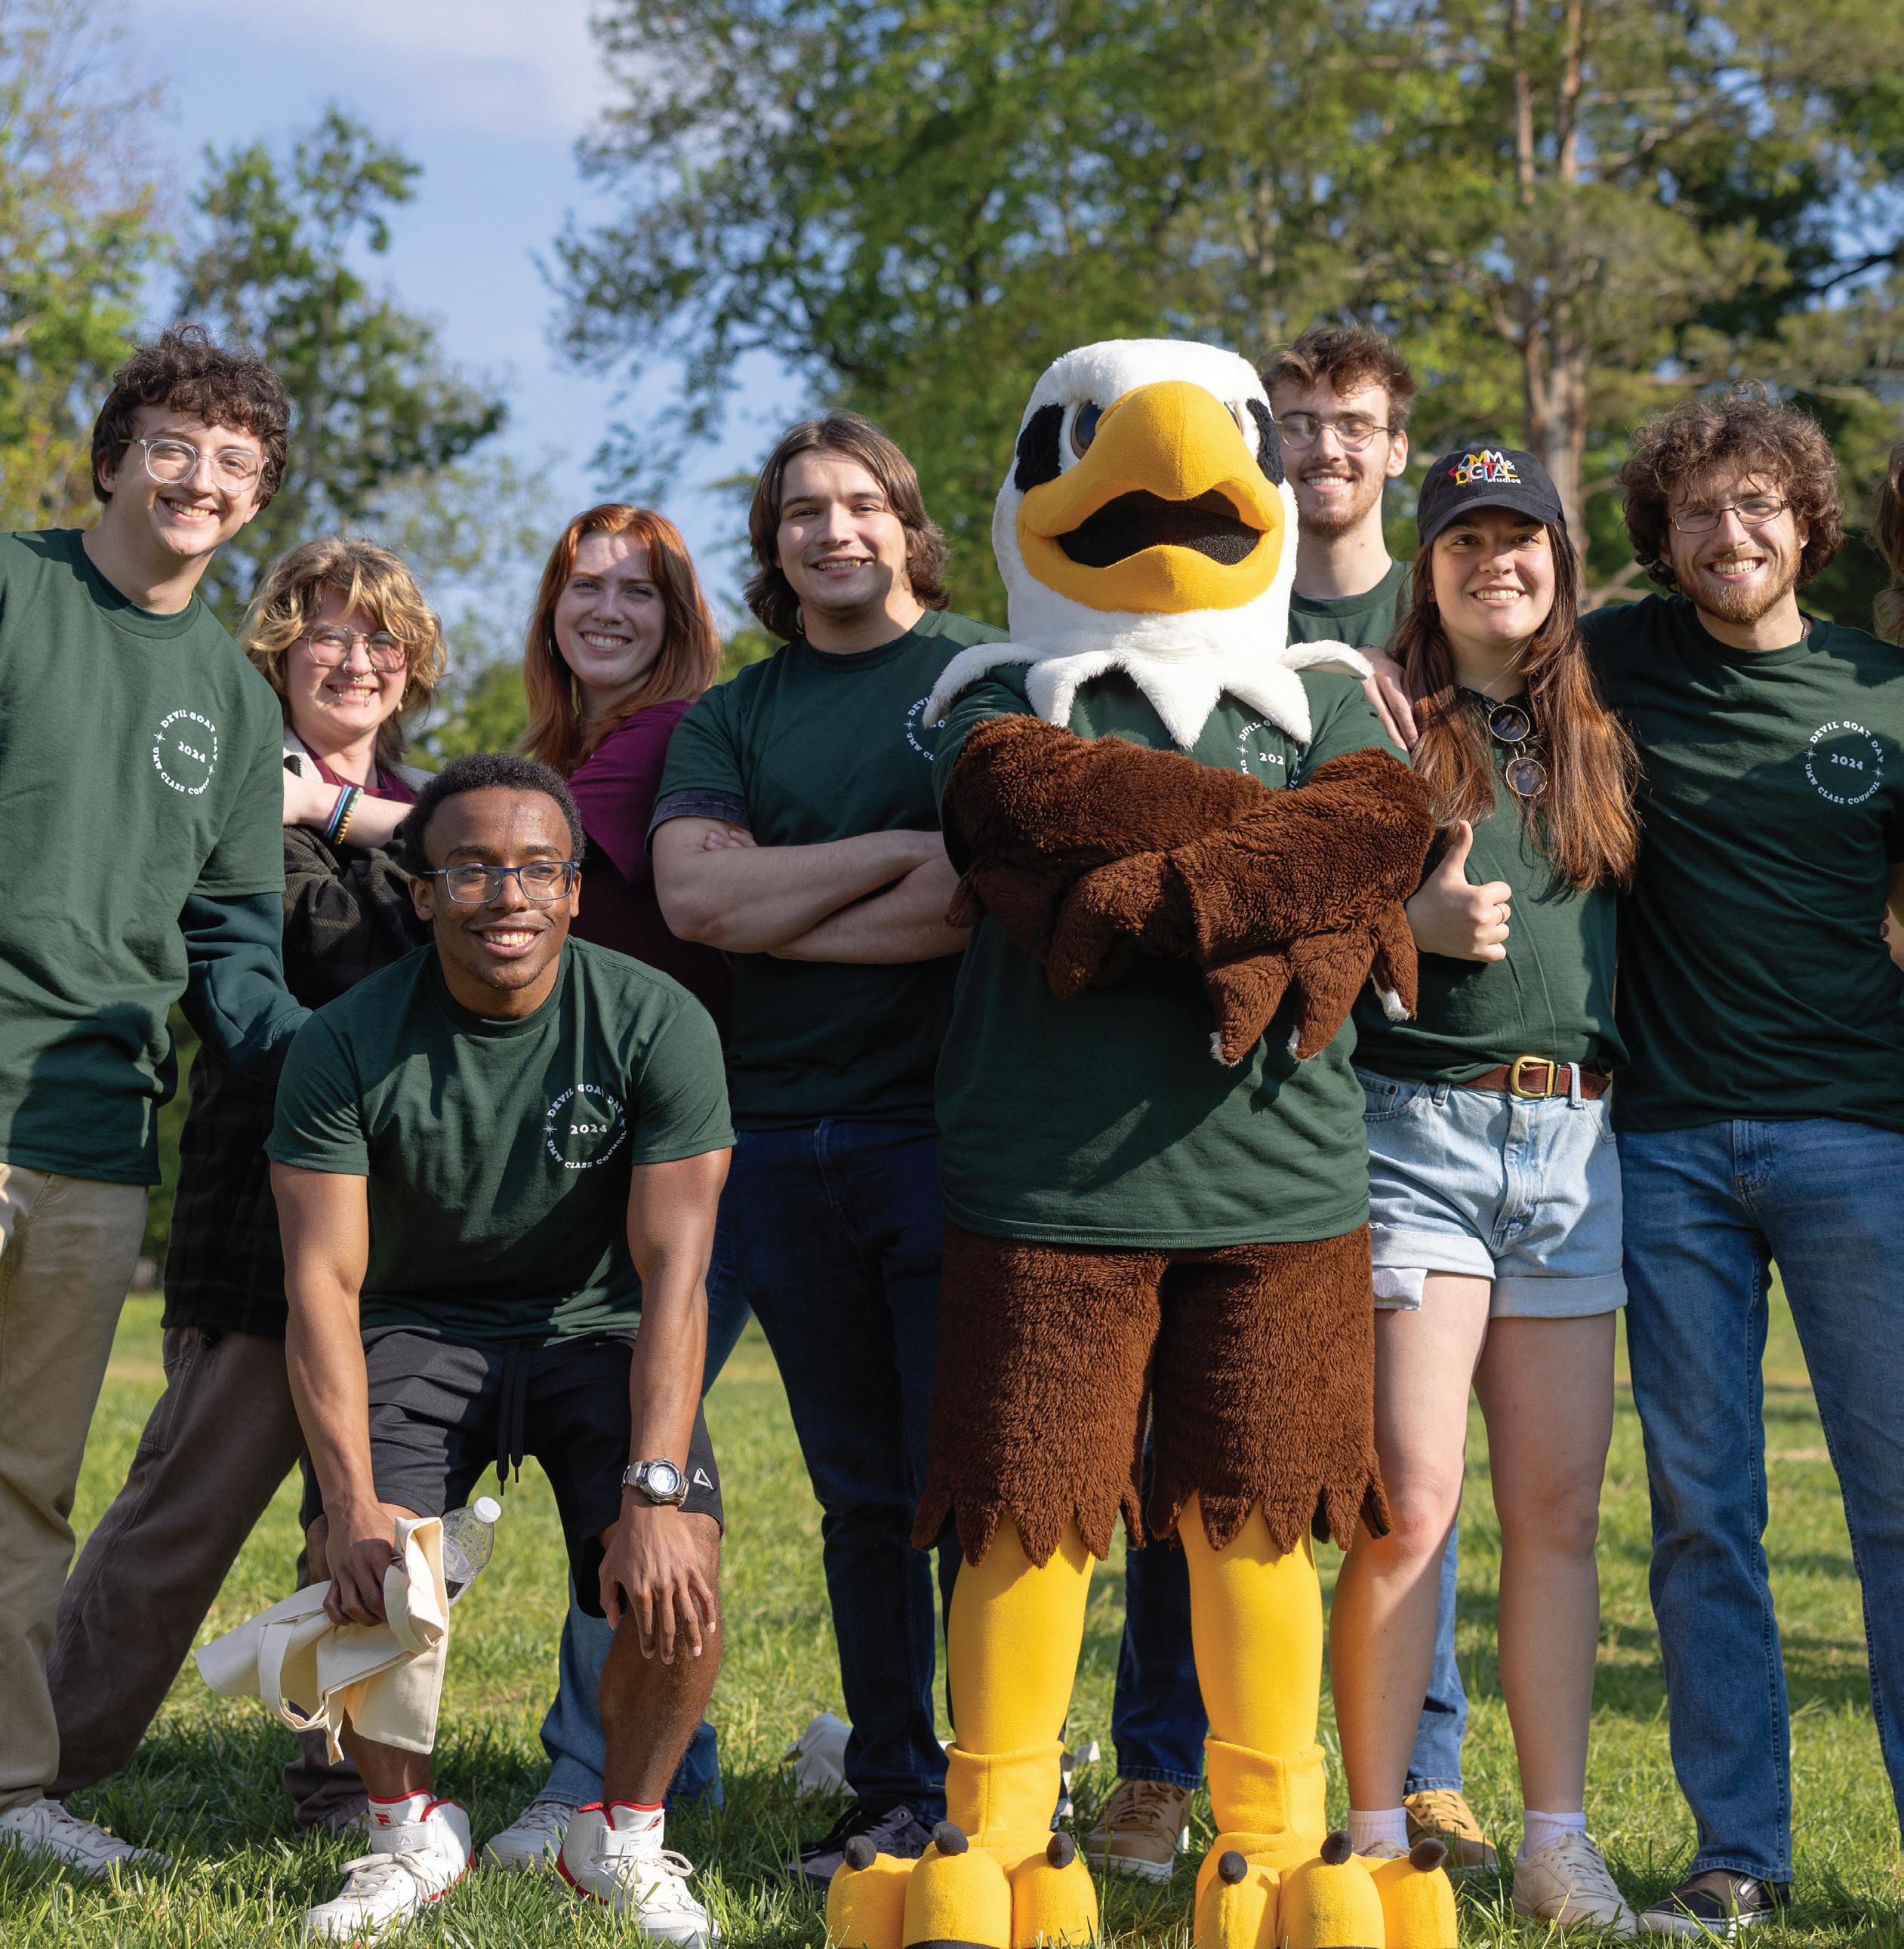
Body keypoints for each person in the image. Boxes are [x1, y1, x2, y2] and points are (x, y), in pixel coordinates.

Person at [1363, 387, 1904, 1934]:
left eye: (1757, 505)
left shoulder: (1882, 689)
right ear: (1658, 538)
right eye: (1695, 511)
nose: (1728, 533)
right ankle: (1738, 1853)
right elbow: (1446, 637)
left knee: (1891, 1502)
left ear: (1805, 521)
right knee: (1699, 1510)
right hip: (1654, 1147)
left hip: (1857, 1137)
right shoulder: (1609, 666)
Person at [1089, 323, 1493, 1884]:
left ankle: (1421, 1765)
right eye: (1299, 422)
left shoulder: (1432, 616)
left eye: (1353, 423)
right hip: (1223, 1085)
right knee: (1178, 1441)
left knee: (1394, 1460)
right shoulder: (1198, 587)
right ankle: (1157, 1763)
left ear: (1395, 446)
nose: (1325, 447)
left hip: (1415, 1095)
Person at [270, 753, 732, 1942]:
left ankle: (618, 1835)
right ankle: (406, 1832)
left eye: (538, 868)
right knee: (361, 1557)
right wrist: (350, 1501)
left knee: (680, 1567)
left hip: (597, 1324)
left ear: (575, 889)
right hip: (419, 1321)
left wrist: (656, 1492)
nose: (508, 894)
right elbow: (321, 1283)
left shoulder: (657, 1021)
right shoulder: (344, 1040)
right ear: (421, 891)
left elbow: (675, 1276)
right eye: (471, 869)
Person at [44, 538, 443, 1833]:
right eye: (327, 633)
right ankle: (37, 1763)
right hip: (263, 1214)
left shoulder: (436, 812)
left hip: (418, 1226)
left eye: (382, 639)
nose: (356, 659)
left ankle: (345, 1776)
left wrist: (367, 821)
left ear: (414, 667)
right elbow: (274, 973)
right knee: (185, 1515)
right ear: (277, 650)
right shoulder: (228, 793)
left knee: (377, 1524)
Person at [652, 413, 1004, 1880]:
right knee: (858, 1496)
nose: (834, 529)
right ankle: (889, 1786)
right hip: (781, 1140)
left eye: (861, 503)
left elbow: (975, 902)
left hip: (949, 1130)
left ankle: (996, 1787)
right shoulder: (733, 716)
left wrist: (783, 901)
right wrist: (895, 854)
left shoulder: (985, 677)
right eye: (804, 510)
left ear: (907, 524)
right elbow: (696, 902)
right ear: (773, 542)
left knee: (967, 1483)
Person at [0, 326, 307, 1877]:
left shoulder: (236, 705)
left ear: (253, 502)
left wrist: (329, 1068)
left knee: (27, 1483)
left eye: (234, 463)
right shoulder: (16, 587)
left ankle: (9, 1788)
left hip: (97, 1132)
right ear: (116, 456)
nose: (200, 479)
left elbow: (231, 947)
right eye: (175, 446)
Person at [1329, 446, 1638, 1933]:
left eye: (1521, 538)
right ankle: (1374, 1835)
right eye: (1464, 540)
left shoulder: (1602, 727)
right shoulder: (1373, 717)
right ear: (1427, 568)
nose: (1493, 561)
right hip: (1418, 1138)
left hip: (1574, 1145)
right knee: (1409, 1503)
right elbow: (1301, 907)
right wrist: (1415, 917)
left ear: (1560, 565)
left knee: (1558, 1512)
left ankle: (1553, 1843)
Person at [485, 504, 736, 1867]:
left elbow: (497, 851)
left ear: (677, 619)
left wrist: (329, 801)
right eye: (584, 587)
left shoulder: (666, 737)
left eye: (639, 593)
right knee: (629, 1443)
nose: (607, 610)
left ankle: (591, 1779)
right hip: (589, 1151)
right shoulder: (557, 748)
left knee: (641, 1454)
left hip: (682, 1147)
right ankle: (667, 1757)